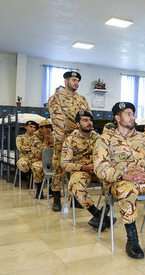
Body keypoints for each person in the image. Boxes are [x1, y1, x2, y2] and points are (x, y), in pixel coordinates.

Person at [94, 102, 145, 259]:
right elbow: (100, 168)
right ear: (117, 118)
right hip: (118, 182)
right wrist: (124, 176)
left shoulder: (143, 139)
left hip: (144, 180)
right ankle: (132, 239)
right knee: (128, 190)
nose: (132, 116)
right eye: (128, 114)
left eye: (133, 113)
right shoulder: (105, 139)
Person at [62, 111, 115, 230]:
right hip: (80, 171)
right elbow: (65, 163)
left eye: (90, 120)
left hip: (98, 170)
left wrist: (97, 167)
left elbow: (107, 156)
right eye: (85, 120)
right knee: (75, 185)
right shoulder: (70, 140)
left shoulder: (99, 138)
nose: (89, 123)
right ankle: (97, 214)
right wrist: (83, 167)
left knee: (116, 180)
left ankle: (104, 211)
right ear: (77, 124)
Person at [48, 71, 91, 211]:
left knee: (77, 167)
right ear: (66, 80)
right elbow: (59, 120)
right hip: (62, 139)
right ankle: (56, 197)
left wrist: (82, 128)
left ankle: (75, 198)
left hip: (79, 141)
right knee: (59, 168)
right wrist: (78, 127)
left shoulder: (82, 99)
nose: (76, 83)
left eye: (78, 80)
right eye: (73, 80)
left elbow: (88, 118)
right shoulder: (55, 98)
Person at [30, 119, 54, 198]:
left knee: (59, 166)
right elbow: (38, 155)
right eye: (46, 127)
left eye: (50, 127)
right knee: (37, 167)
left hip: (50, 159)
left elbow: (56, 150)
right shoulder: (34, 138)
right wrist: (45, 142)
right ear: (40, 128)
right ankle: (39, 189)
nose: (48, 130)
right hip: (39, 160)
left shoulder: (52, 136)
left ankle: (53, 188)